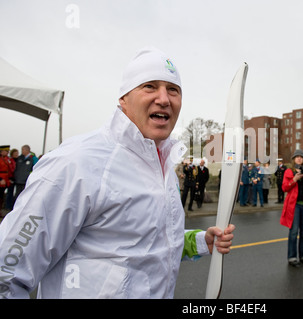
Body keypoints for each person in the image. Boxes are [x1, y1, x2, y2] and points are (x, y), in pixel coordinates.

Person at [0, 46, 234, 299]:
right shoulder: (75, 162)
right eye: (149, 86)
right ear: (123, 98)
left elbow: (146, 240)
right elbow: (6, 273)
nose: (164, 99)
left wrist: (199, 241)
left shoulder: (163, 166)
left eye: (173, 90)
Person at [0, 145, 16, 216]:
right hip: (1, 178)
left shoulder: (7, 159)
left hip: (6, 180)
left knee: (1, 196)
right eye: (6, 151)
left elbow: (9, 170)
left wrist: (9, 178)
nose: (7, 152)